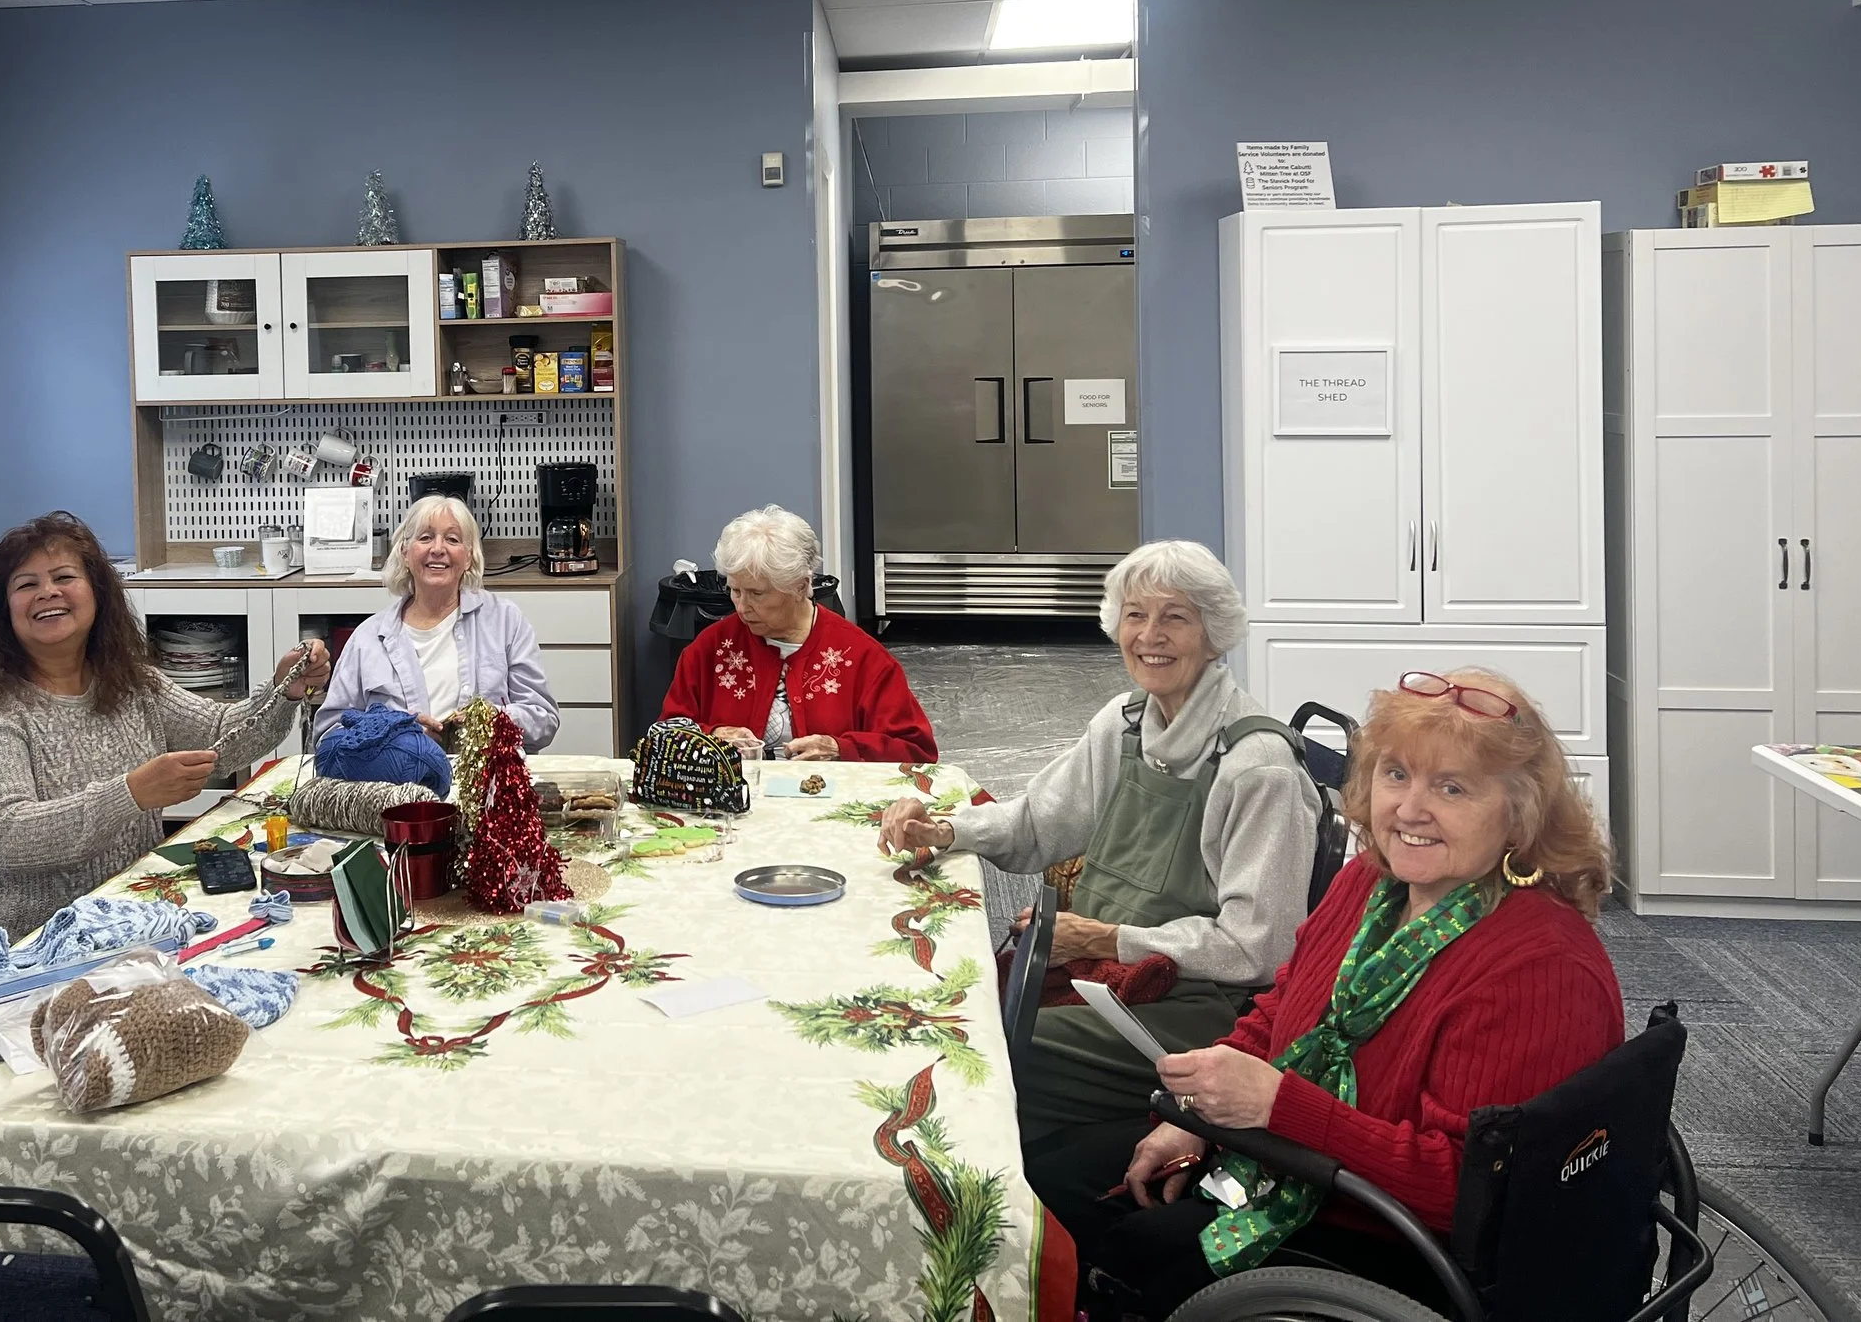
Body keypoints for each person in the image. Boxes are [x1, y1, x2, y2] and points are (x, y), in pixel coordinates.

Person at [1031, 671, 1624, 1319]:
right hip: (1289, 1156)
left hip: (1390, 1232)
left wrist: (1277, 1106)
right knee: (1052, 1170)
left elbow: (1464, 1191)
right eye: (1396, 774)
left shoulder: (1540, 969)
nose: (1410, 808)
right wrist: (1192, 1114)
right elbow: (1283, 1005)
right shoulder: (1371, 883)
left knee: (1130, 1242)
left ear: (1520, 810)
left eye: (1451, 786)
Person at [880, 539, 1316, 1137]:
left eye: (1175, 618)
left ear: (1214, 636)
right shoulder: (1127, 722)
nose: (1150, 635)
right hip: (1098, 974)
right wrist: (946, 829)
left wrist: (1109, 939)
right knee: (935, 1009)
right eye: (1136, 615)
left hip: (1195, 1009)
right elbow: (1036, 824)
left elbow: (1257, 949)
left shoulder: (1257, 766)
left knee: (978, 1054)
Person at [0, 511, 328, 980]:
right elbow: (6, 838)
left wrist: (281, 689)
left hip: (124, 929)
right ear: (2, 610)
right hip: (19, 959)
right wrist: (131, 794)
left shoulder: (131, 685)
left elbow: (222, 736)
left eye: (64, 577)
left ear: (98, 593)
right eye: (26, 585)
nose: (48, 593)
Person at [658, 505, 935, 762]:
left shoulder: (862, 657)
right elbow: (666, 734)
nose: (742, 607)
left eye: (756, 593)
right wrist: (712, 736)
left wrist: (841, 749)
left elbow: (916, 751)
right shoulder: (711, 649)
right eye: (734, 590)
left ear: (801, 587)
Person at [312, 493, 557, 750]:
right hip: (396, 787)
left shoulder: (505, 621)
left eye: (452, 539)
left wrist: (491, 720)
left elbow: (543, 719)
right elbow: (328, 734)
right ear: (405, 552)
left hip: (489, 783)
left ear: (468, 556)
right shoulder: (368, 638)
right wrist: (394, 734)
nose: (438, 549)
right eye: (425, 537)